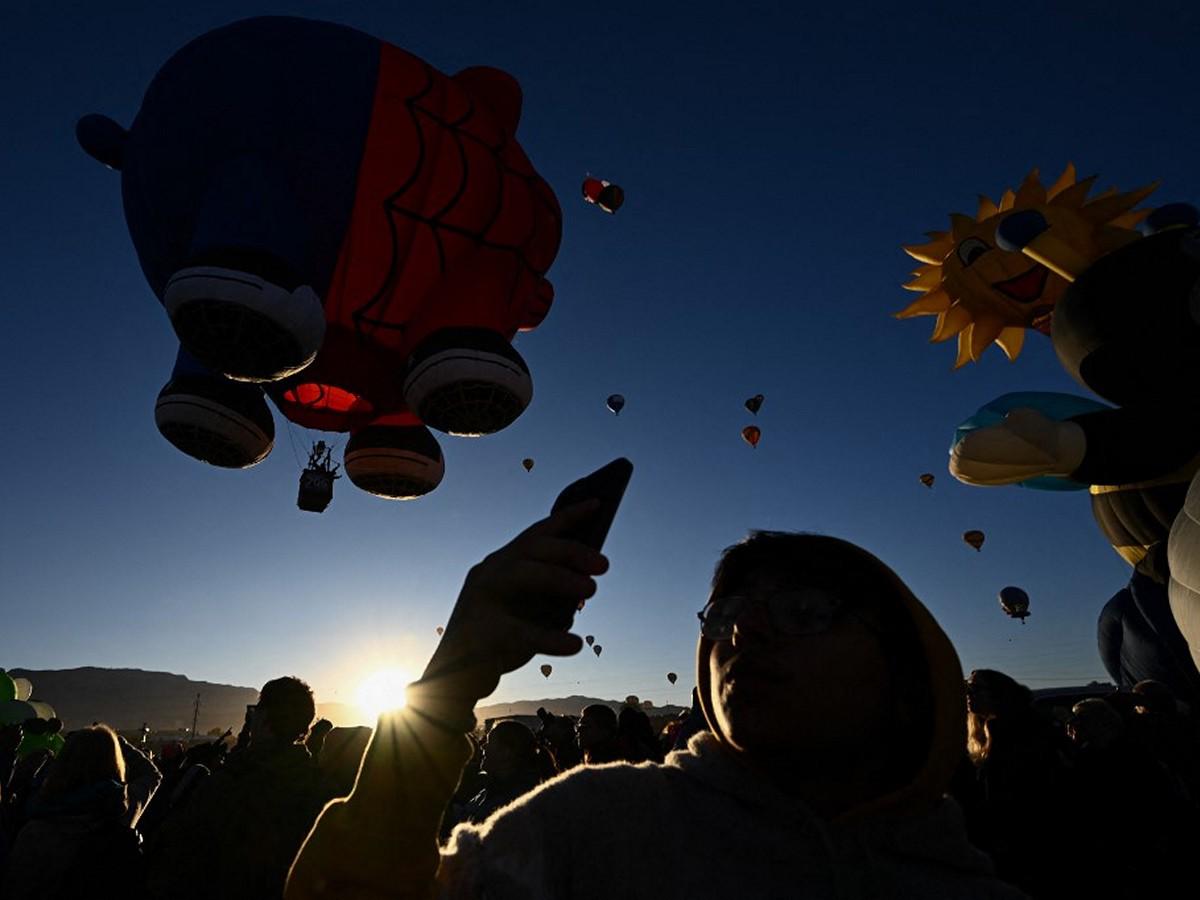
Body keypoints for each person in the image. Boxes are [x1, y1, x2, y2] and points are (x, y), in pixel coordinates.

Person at [287, 503, 1027, 899]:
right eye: (728, 611)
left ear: (909, 681)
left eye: (805, 609)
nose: (748, 629)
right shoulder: (590, 826)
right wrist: (449, 683)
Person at [146, 676, 330, 900]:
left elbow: (181, 859)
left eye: (257, 710)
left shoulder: (227, 785)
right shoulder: (320, 789)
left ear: (263, 719)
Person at [2, 724, 151, 898]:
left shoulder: (37, 829)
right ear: (115, 763)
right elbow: (152, 775)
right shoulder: (125, 814)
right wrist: (115, 743)